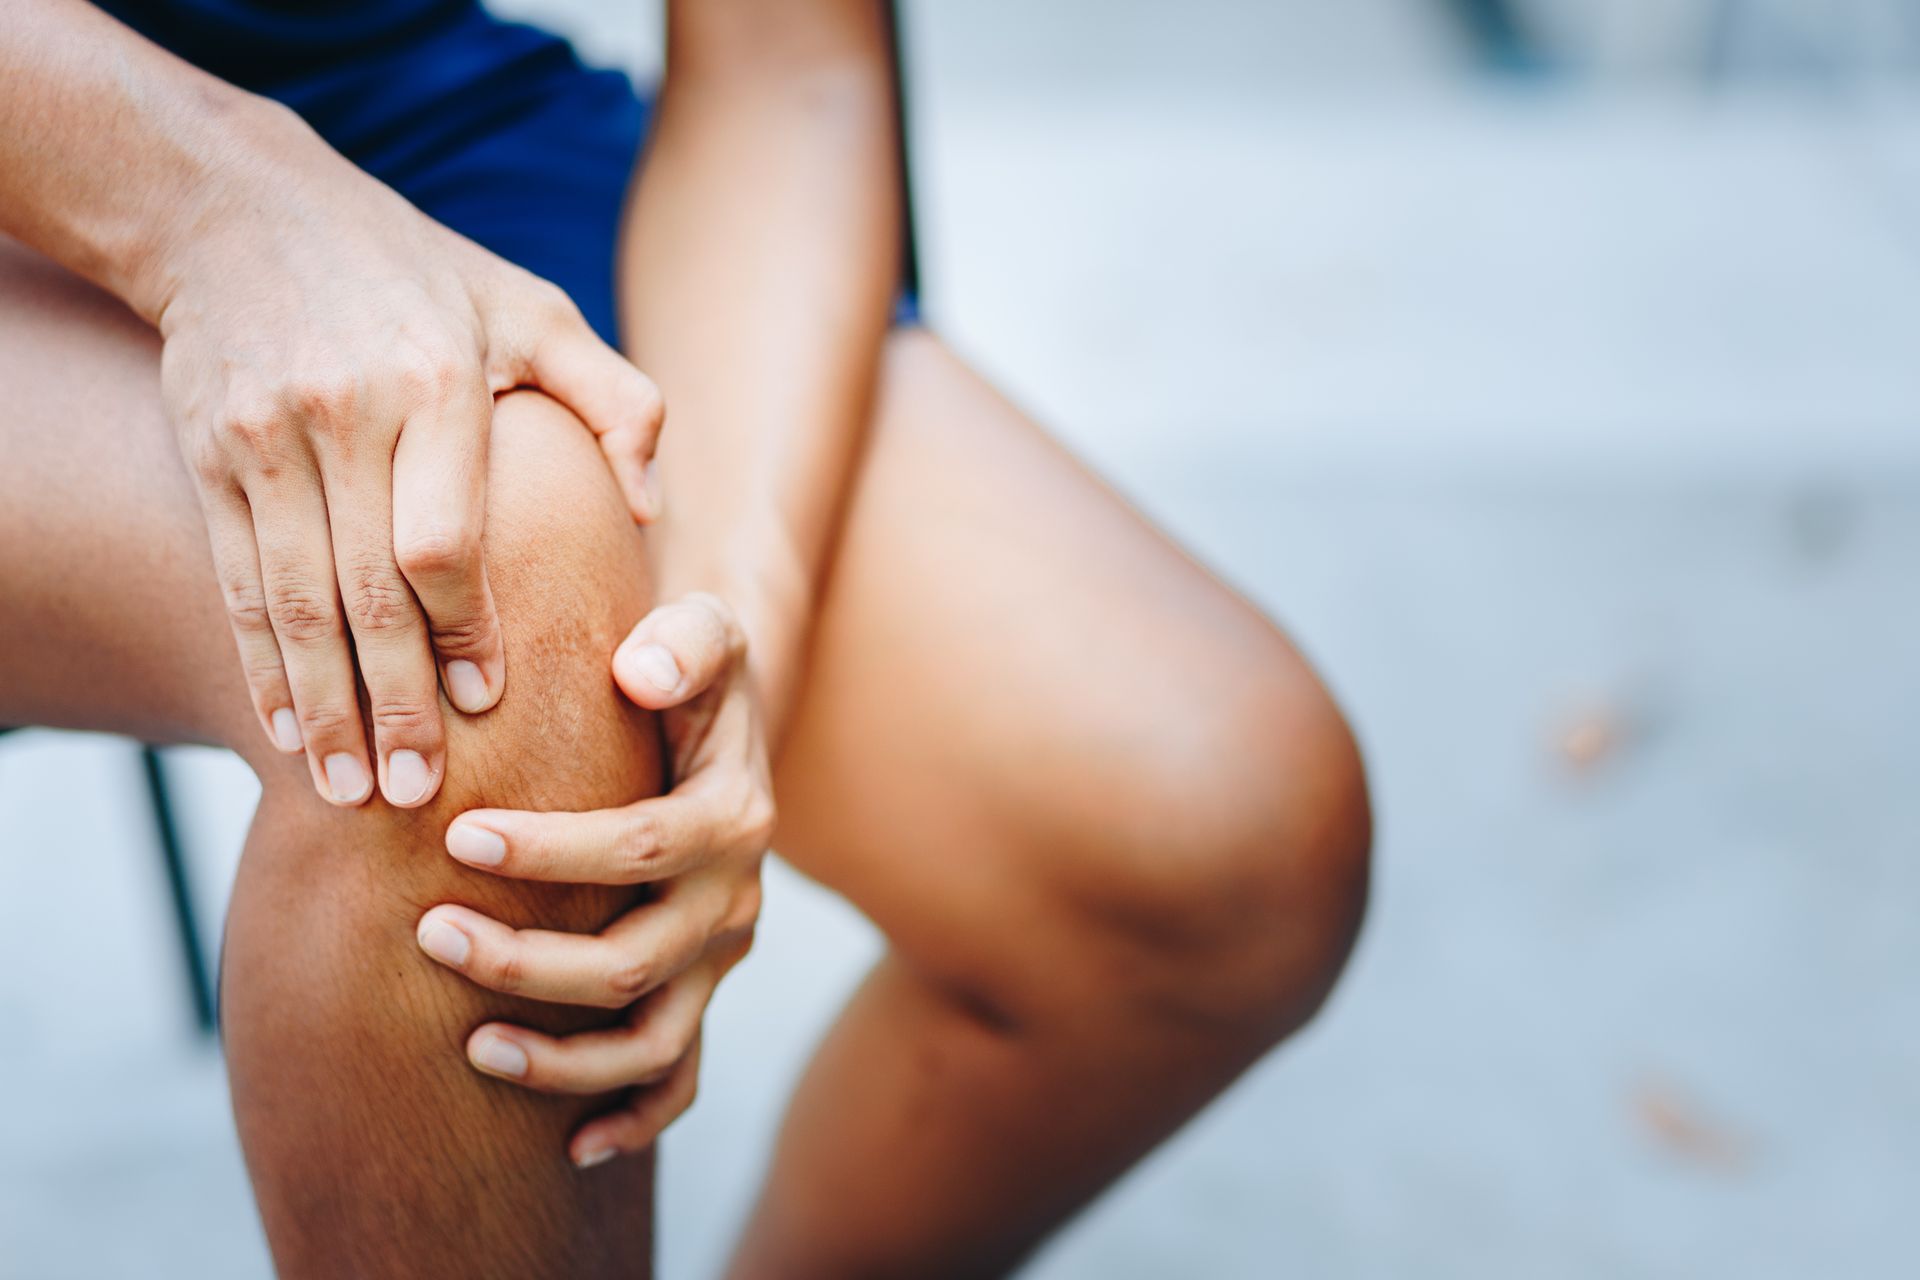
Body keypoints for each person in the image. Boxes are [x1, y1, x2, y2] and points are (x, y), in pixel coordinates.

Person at [0, 0, 1372, 1275]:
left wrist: (718, 646)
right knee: (479, 603)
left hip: (389, 106)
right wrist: (207, 199)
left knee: (1213, 836)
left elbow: (787, 65)